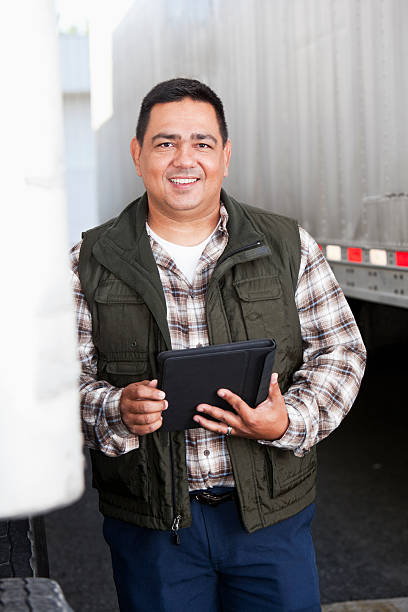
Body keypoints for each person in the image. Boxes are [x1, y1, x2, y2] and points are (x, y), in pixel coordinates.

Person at [70, 78, 366, 611]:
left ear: (225, 156)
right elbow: (61, 382)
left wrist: (288, 421)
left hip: (270, 523)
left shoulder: (284, 245)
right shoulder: (88, 260)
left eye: (202, 143)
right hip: (154, 530)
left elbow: (340, 350)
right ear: (138, 154)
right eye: (165, 143)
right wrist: (116, 409)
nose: (185, 159)